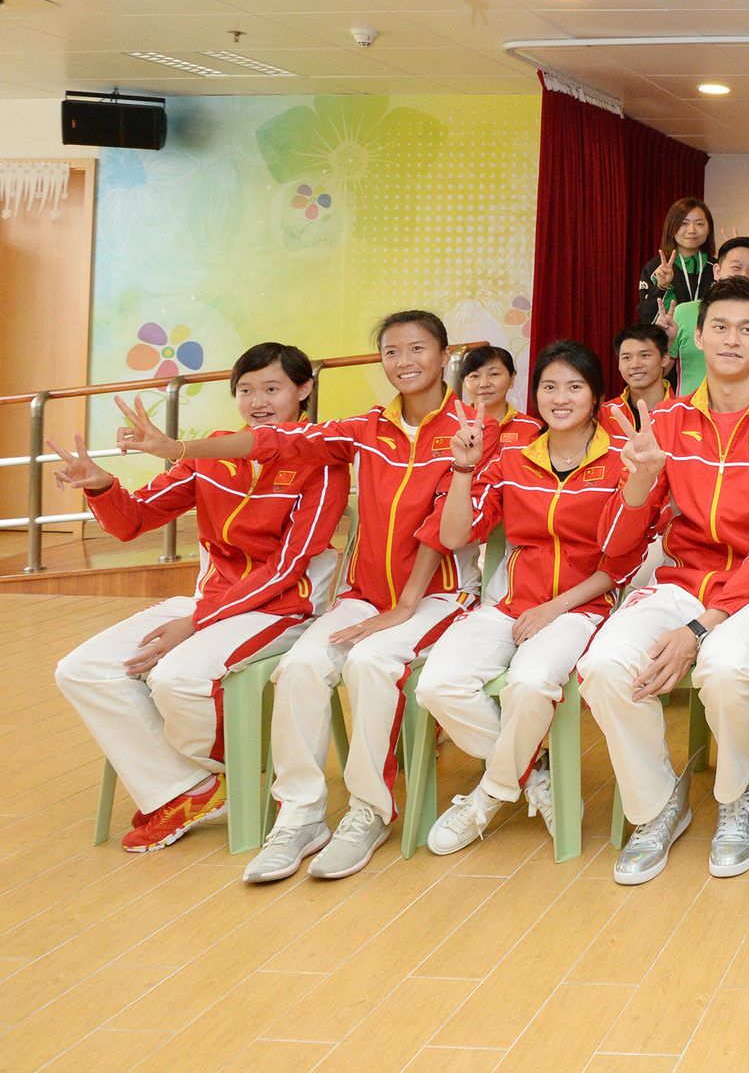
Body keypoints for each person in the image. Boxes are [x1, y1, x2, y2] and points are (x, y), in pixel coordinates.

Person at [113, 311, 482, 882]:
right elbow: (275, 440)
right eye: (391, 351)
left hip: (439, 595)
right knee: (301, 666)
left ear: (443, 355)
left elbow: (444, 531)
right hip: (365, 593)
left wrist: (405, 606)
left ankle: (368, 811)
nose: (404, 361)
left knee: (369, 664)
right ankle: (301, 816)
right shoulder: (366, 428)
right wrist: (178, 446)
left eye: (417, 349)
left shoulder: (474, 429)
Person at [52, 344, 349, 854]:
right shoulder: (211, 453)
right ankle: (187, 789)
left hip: (280, 607)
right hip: (209, 602)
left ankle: (216, 775)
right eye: (246, 390)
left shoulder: (323, 461)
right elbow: (133, 521)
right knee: (81, 669)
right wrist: (101, 487)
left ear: (304, 390)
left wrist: (195, 624)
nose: (257, 401)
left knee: (177, 678)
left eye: (272, 388)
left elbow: (286, 569)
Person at [580, 277, 749, 884]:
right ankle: (656, 805)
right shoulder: (664, 420)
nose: (732, 340)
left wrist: (701, 627)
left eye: (747, 329)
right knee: (604, 665)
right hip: (682, 578)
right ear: (697, 336)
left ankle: (736, 799)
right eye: (720, 327)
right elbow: (617, 545)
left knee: (726, 667)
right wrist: (639, 481)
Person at [417, 343, 643, 854]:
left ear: (596, 395)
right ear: (534, 393)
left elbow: (619, 563)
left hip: (582, 608)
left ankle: (488, 796)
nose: (560, 398)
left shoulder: (620, 460)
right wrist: (462, 469)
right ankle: (535, 773)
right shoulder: (513, 458)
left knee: (530, 682)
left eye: (574, 387)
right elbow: (454, 537)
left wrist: (554, 608)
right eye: (549, 386)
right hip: (511, 603)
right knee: (437, 685)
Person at [667, 237, 749, 396]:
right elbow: (660, 371)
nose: (744, 275)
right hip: (692, 408)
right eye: (736, 267)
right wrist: (666, 341)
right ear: (717, 271)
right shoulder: (683, 313)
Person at [638, 198, 714, 326]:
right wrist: (661, 287)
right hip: (668, 337)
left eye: (700, 224)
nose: (692, 230)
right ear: (671, 227)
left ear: (709, 229)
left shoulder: (717, 268)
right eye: (684, 223)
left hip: (708, 337)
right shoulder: (655, 268)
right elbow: (645, 317)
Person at [457, 346, 541, 450]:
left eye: (494, 374)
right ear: (464, 382)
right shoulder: (451, 426)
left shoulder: (533, 428)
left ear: (512, 378)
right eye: (475, 376)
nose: (484, 383)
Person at [604, 323, 674, 440]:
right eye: (627, 358)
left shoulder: (684, 413)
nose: (635, 365)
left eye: (644, 355)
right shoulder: (604, 414)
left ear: (664, 359)